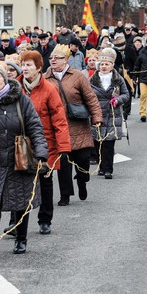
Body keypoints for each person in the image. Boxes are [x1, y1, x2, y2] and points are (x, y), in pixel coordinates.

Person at [0, 60, 48, 258]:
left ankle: (21, 239)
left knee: (20, 200)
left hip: (19, 158)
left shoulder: (21, 100)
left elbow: (35, 127)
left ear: (5, 80)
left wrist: (41, 153)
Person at [16, 50, 70, 235]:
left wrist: (63, 146)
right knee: (20, 184)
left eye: (29, 65)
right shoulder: (16, 87)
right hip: (21, 143)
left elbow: (59, 119)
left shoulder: (49, 89)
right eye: (23, 64)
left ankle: (45, 219)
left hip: (46, 143)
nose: (25, 68)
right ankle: (16, 223)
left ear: (39, 68)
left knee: (45, 182)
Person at [45, 44, 102, 205]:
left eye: (58, 58)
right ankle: (65, 195)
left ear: (67, 59)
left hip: (78, 125)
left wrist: (97, 116)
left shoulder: (78, 76)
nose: (53, 60)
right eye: (51, 58)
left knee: (83, 160)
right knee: (63, 163)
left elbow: (90, 98)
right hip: (58, 127)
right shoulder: (45, 77)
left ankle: (82, 181)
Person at [89, 49, 130, 179]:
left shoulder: (118, 79)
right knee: (98, 142)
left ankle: (108, 170)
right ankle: (101, 166)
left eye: (107, 64)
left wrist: (118, 100)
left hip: (113, 114)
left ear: (112, 65)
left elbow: (126, 94)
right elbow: (87, 95)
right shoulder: (92, 80)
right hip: (97, 113)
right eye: (102, 64)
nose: (104, 67)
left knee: (109, 143)